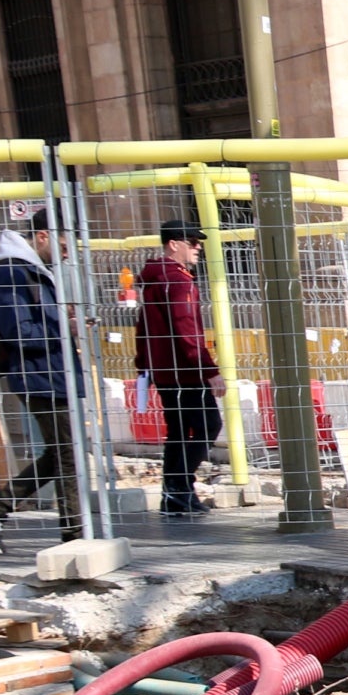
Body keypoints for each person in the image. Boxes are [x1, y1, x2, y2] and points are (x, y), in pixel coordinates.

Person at [0, 213, 85, 541]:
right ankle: (75, 536)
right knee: (68, 455)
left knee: (62, 453)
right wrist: (65, 328)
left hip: (51, 375)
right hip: (39, 377)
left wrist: (62, 322)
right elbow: (17, 331)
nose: (67, 254)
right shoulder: (12, 272)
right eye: (63, 246)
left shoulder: (31, 271)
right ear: (41, 236)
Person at [135, 218, 218, 516]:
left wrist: (145, 364)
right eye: (193, 242)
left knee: (180, 432)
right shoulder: (178, 280)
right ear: (174, 244)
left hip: (165, 371)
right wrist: (210, 370)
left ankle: (175, 497)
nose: (198, 248)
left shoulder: (155, 277)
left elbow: (143, 325)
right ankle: (179, 488)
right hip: (186, 371)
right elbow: (187, 329)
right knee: (209, 426)